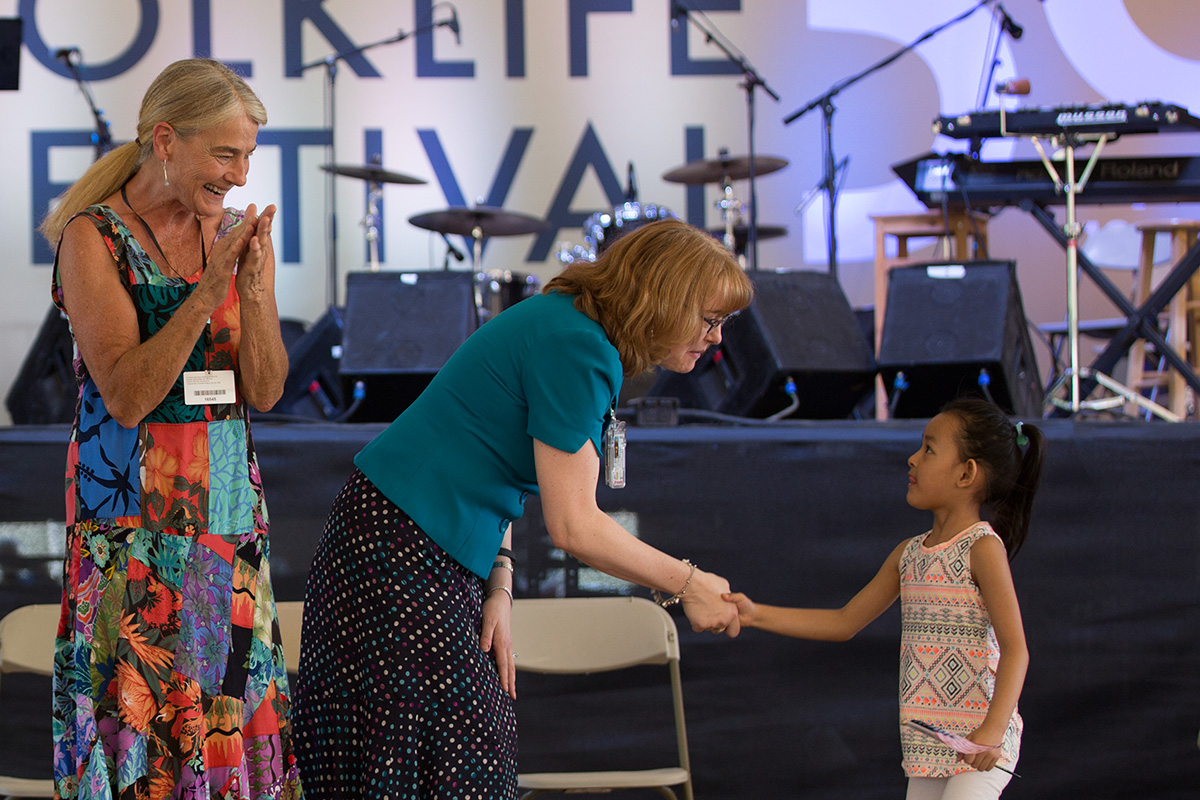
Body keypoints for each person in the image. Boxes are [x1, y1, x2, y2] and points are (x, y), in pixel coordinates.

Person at [292, 217, 750, 799]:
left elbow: (502, 469)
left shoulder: (571, 326)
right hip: (399, 547)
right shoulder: (578, 344)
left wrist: (500, 585)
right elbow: (574, 526)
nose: (716, 340)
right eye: (710, 321)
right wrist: (688, 583)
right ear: (663, 300)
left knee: (441, 753)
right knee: (446, 758)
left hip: (409, 541)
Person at [40, 59, 302, 799]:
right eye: (226, 154)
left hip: (228, 526)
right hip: (129, 531)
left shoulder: (228, 232)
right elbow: (125, 395)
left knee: (226, 725)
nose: (241, 176)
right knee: (142, 736)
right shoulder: (95, 238)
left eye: (249, 155)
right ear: (166, 140)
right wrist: (206, 293)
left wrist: (250, 288)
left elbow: (269, 389)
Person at [726, 397, 1044, 800]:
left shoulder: (982, 549)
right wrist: (755, 615)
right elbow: (843, 622)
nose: (912, 459)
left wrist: (993, 730)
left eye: (928, 449)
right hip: (931, 742)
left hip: (982, 741)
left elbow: (1016, 649)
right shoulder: (908, 554)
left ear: (967, 473)